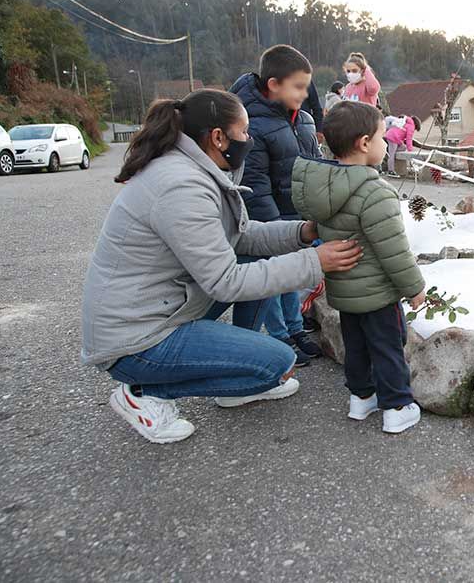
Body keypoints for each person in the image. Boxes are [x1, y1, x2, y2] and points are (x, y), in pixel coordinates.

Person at [81, 89, 362, 444]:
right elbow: (225, 282)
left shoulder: (194, 169)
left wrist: (303, 233)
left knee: (257, 263)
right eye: (244, 131)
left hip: (155, 310)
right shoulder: (181, 186)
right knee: (276, 364)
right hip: (135, 340)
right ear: (218, 137)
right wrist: (315, 262)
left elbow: (241, 238)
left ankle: (237, 375)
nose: (249, 139)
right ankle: (143, 393)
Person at [291, 101, 425, 434]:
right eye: (382, 137)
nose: (385, 143)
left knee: (357, 347)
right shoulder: (375, 192)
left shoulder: (326, 189)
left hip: (345, 293)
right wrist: (415, 287)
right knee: (387, 345)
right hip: (378, 294)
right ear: (364, 143)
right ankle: (396, 406)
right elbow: (393, 250)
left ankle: (361, 398)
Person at [230, 45, 322, 365]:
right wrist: (273, 227)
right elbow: (254, 185)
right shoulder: (251, 125)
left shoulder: (304, 120)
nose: (305, 93)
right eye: (298, 86)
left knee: (293, 278)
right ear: (273, 84)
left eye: (306, 86)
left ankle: (295, 328)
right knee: (273, 277)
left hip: (298, 213)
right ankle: (279, 334)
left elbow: (315, 166)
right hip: (270, 218)